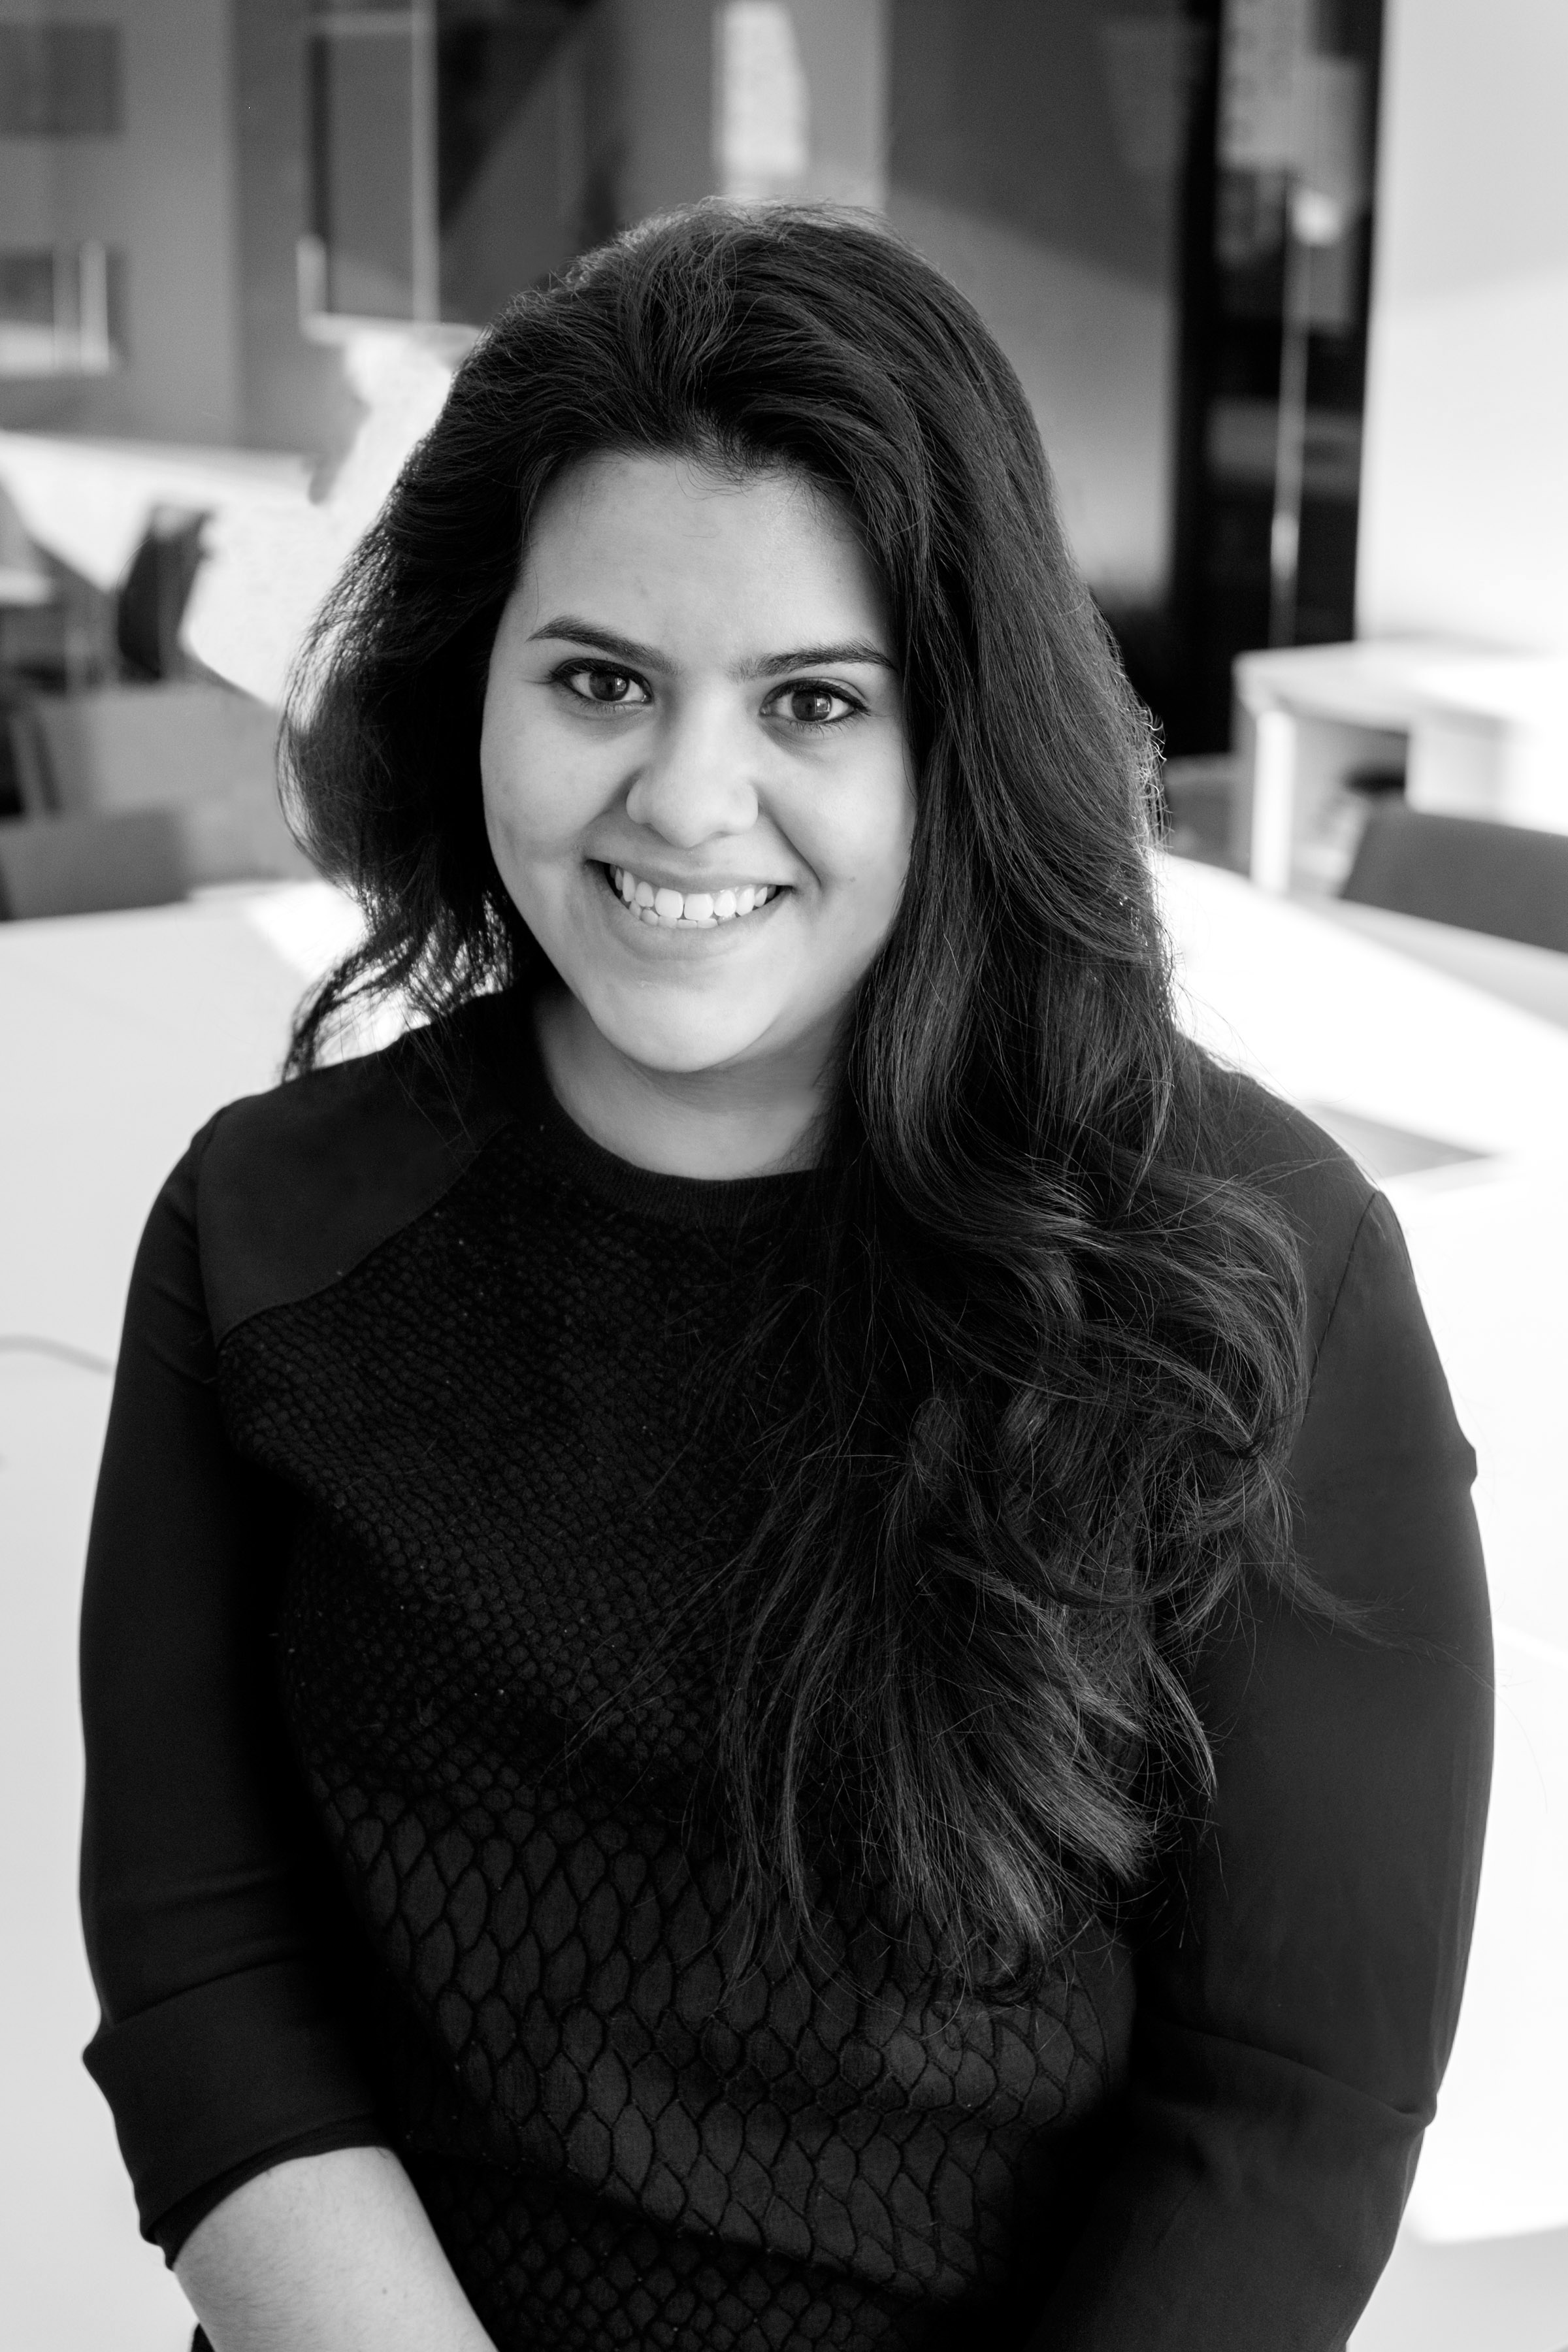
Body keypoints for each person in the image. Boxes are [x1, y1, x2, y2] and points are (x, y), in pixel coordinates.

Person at [80, 206, 1491, 2352]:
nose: (687, 796)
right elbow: (207, 1966)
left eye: (814, 699)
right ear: (472, 678)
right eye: (599, 680)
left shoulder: (1262, 1268)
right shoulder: (270, 1230)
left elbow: (1287, 2113)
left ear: (965, 741)